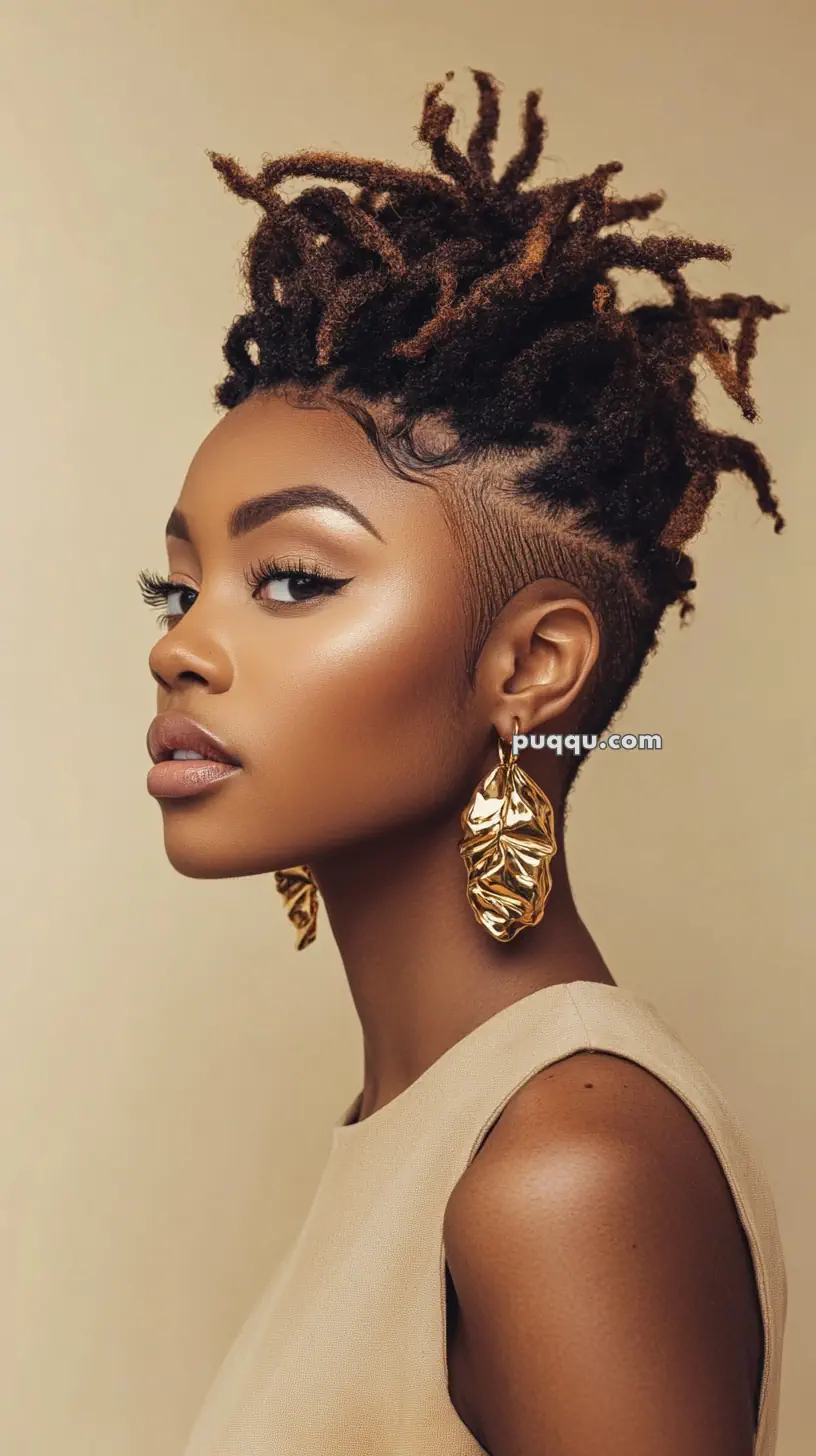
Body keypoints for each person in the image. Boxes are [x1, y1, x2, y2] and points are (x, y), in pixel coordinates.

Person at [141, 69, 787, 1456]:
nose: (181, 649)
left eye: (297, 579)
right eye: (175, 589)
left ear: (531, 670)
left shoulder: (565, 1167)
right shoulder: (425, 1126)